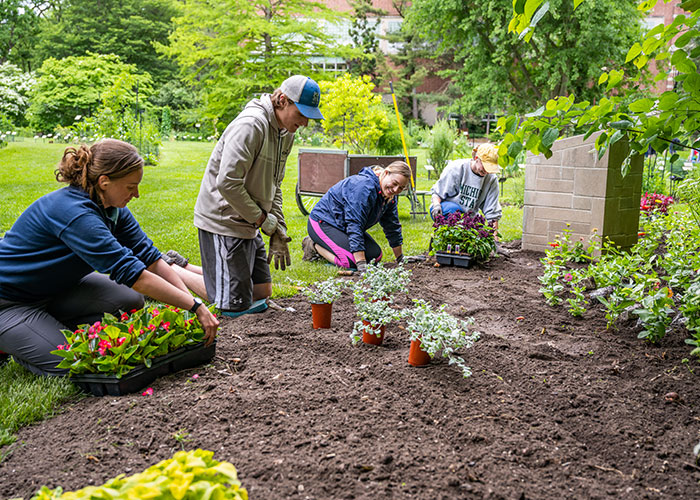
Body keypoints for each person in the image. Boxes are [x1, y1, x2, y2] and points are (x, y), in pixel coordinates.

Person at [0, 139, 219, 376]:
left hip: (55, 291)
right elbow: (134, 275)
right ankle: (12, 344)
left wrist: (188, 306)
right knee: (74, 363)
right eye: (130, 186)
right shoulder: (74, 214)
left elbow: (151, 259)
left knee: (129, 300)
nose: (136, 194)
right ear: (104, 181)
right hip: (10, 302)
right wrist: (196, 306)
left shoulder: (112, 209)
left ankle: (40, 328)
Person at [194, 75, 323, 317]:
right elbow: (228, 183)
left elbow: (275, 184)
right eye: (302, 113)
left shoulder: (285, 132)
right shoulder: (251, 125)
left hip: (250, 218)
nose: (305, 122)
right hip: (224, 220)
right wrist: (264, 221)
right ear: (282, 100)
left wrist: (278, 229)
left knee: (262, 292)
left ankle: (210, 275)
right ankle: (172, 271)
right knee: (234, 307)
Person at [303, 161, 411, 272]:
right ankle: (312, 245)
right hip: (323, 222)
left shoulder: (389, 196)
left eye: (401, 188)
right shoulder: (364, 187)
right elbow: (355, 224)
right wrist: (360, 263)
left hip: (343, 226)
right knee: (349, 262)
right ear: (386, 173)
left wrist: (400, 258)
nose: (395, 190)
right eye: (395, 183)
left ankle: (331, 246)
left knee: (375, 256)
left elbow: (392, 226)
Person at [429, 143, 502, 230]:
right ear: (476, 159)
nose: (486, 171)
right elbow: (437, 193)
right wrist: (437, 206)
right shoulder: (457, 168)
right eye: (485, 166)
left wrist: (495, 239)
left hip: (468, 218)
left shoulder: (491, 179)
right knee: (453, 211)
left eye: (490, 168)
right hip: (445, 210)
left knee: (479, 232)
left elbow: (492, 212)